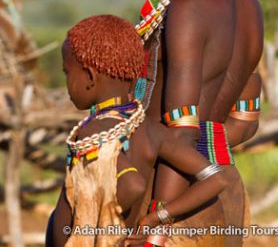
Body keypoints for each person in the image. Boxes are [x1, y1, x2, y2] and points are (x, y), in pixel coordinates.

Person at [136, 0, 264, 246]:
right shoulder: (248, 3)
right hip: (223, 183)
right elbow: (246, 118)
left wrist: (158, 223)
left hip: (172, 191)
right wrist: (211, 153)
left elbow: (182, 131)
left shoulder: (189, 7)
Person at [47, 15, 229, 247]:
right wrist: (155, 218)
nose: (67, 81)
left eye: (67, 72)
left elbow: (132, 185)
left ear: (90, 77)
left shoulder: (94, 130)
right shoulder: (151, 130)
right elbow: (215, 178)